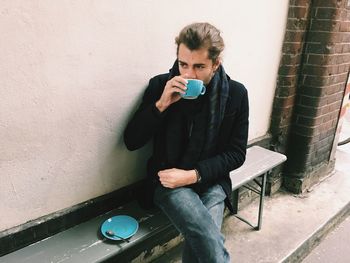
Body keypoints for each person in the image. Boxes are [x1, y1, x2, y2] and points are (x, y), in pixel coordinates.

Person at [124, 22, 249, 263]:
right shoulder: (161, 86)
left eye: (199, 66)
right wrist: (161, 104)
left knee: (204, 244)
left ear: (216, 64)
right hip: (168, 182)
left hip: (211, 180)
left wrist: (194, 175)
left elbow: (236, 153)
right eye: (183, 64)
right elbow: (132, 141)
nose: (188, 74)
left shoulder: (235, 94)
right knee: (210, 249)